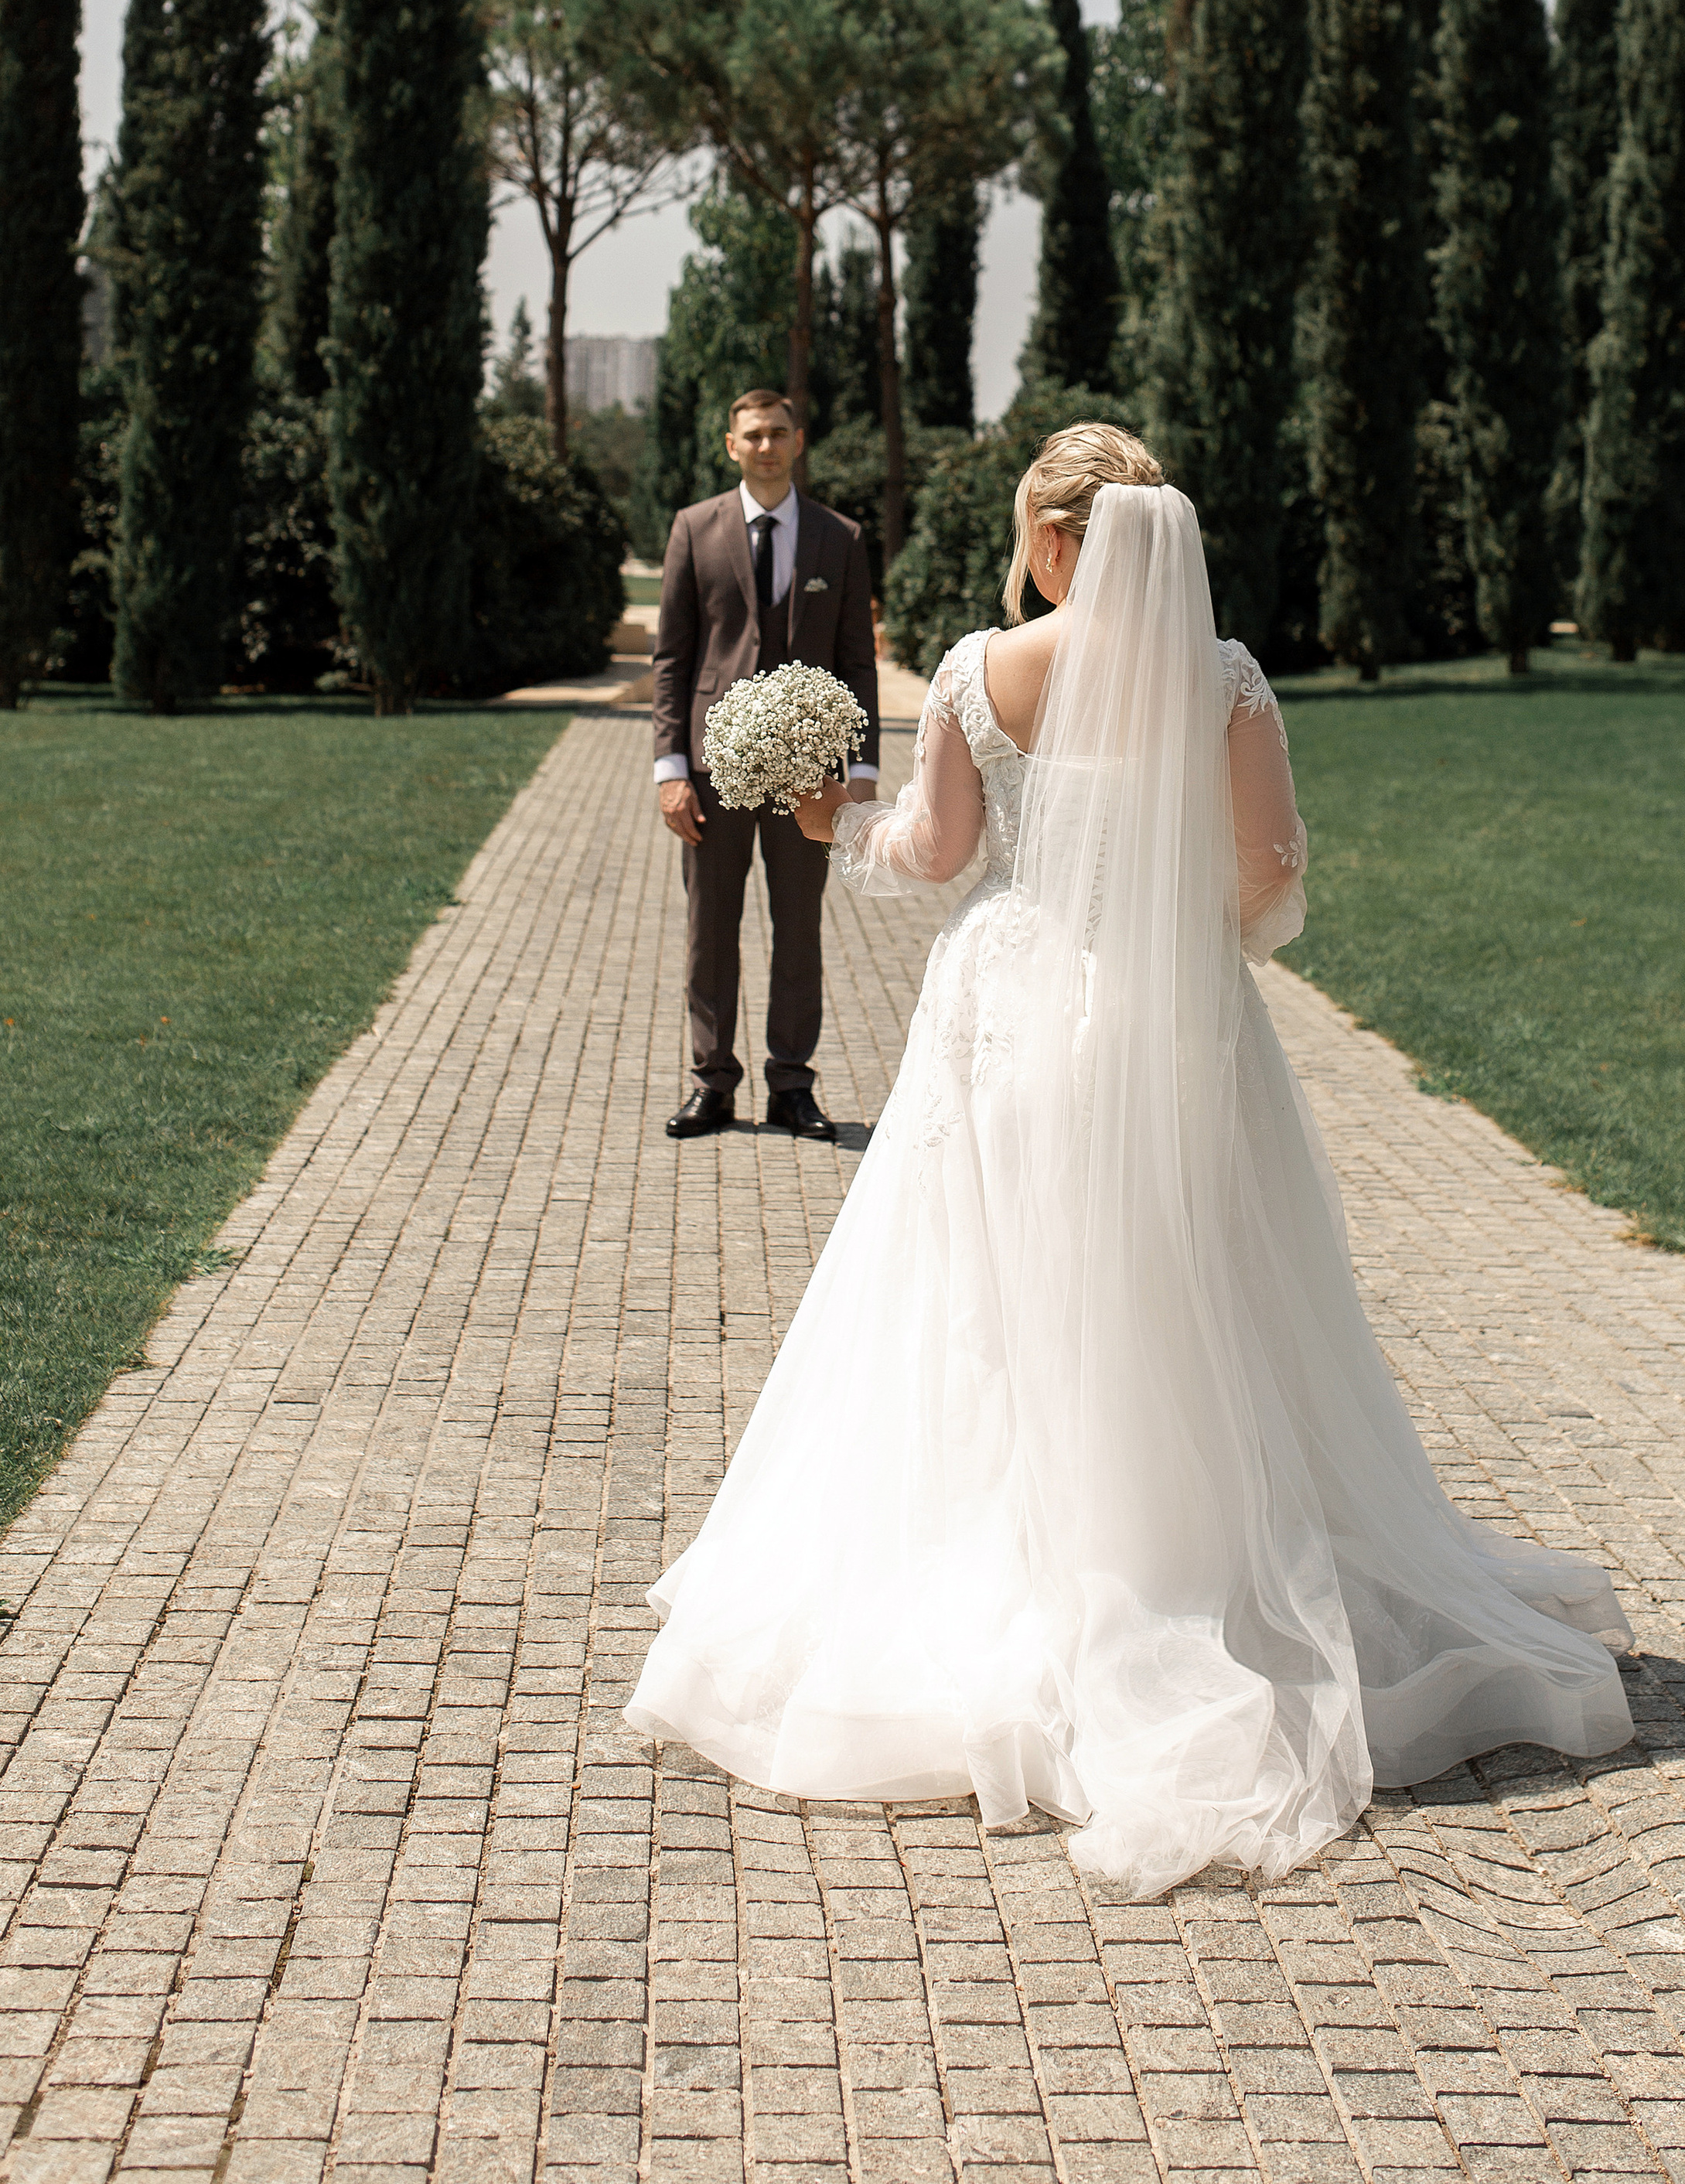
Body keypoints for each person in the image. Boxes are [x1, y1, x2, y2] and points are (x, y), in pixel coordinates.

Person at [626, 423, 1632, 1898]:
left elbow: (939, 852)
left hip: (1014, 1016)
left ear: (1048, 542)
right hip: (1177, 1026)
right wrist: (1189, 945)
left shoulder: (983, 670)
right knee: (1200, 1292)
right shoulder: (1223, 679)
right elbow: (1274, 866)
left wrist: (839, 816)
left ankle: (1023, 1570)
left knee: (987, 1304)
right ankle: (1193, 1568)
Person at [651, 385, 880, 1141]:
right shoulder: (694, 529)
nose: (766, 446)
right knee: (708, 927)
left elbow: (856, 660)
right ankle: (711, 1083)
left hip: (808, 774)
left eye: (778, 432)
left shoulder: (839, 537)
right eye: (752, 434)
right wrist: (670, 769)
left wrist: (863, 769)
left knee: (798, 925)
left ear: (799, 440)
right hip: (713, 771)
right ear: (731, 444)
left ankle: (791, 1084)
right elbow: (672, 659)